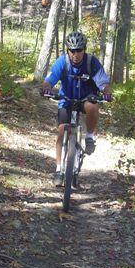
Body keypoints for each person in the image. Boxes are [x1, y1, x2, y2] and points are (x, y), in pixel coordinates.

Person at [41, 31, 112, 187]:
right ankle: (59, 170)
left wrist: (106, 93)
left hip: (87, 98)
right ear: (67, 50)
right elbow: (50, 79)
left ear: (84, 49)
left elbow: (103, 83)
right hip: (67, 99)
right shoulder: (62, 62)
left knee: (92, 106)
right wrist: (46, 88)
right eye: (72, 50)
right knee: (61, 132)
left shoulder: (91, 62)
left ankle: (90, 136)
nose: (75, 54)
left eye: (79, 50)